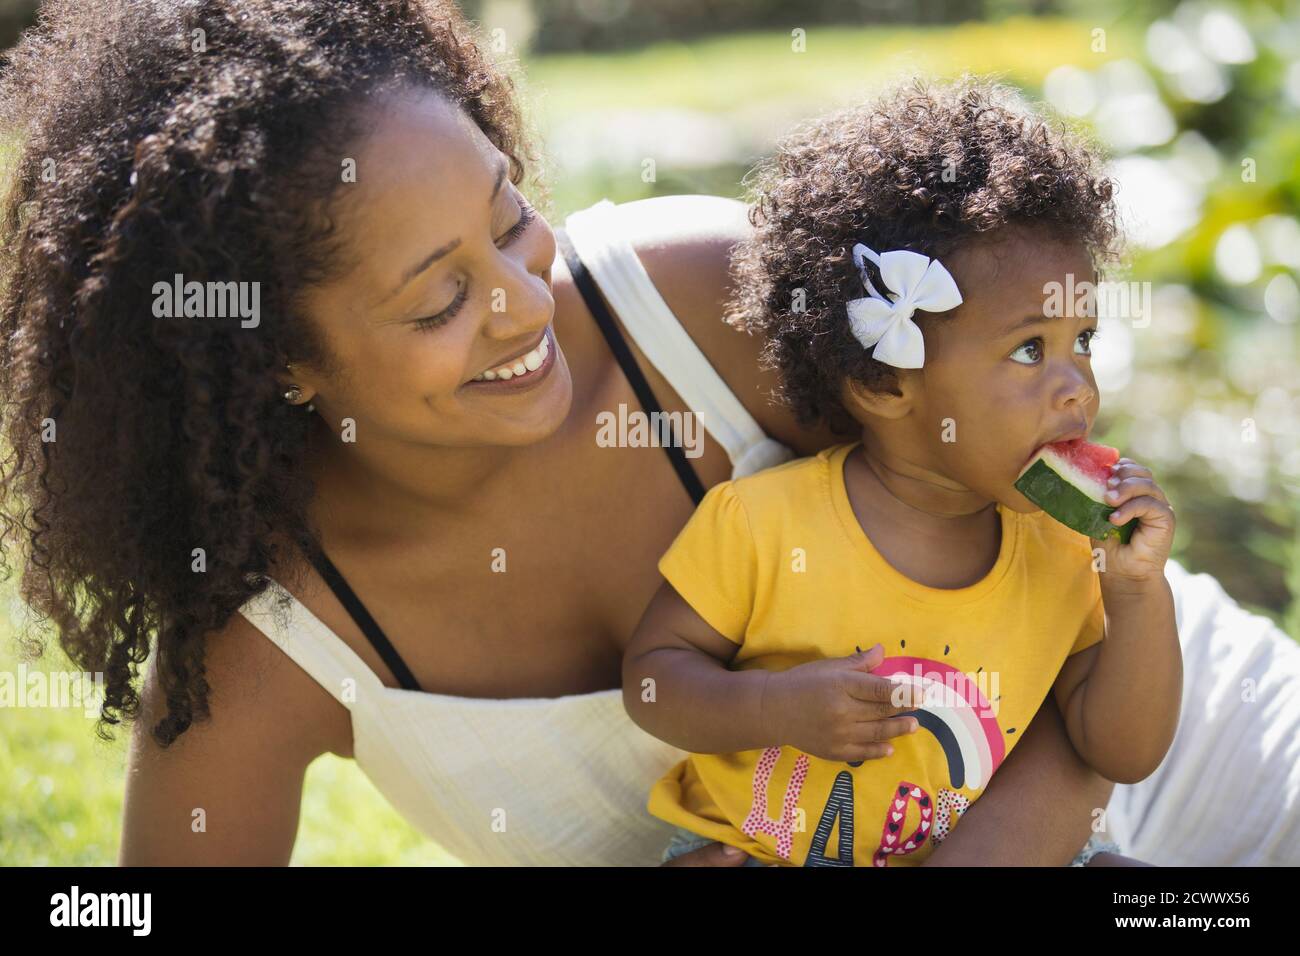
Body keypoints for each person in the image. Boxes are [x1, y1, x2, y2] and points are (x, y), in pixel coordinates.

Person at [0, 0, 1278, 867]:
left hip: (1164, 737)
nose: (522, 305)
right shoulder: (263, 645)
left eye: (509, 222)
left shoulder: (699, 301)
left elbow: (1080, 624)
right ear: (269, 358)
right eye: (441, 296)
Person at [624, 77, 1181, 868]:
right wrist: (773, 708)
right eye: (1031, 350)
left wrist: (1137, 593)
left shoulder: (1066, 549)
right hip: (762, 850)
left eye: (1082, 341)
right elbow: (653, 682)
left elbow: (1120, 751)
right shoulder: (761, 523)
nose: (1077, 388)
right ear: (887, 383)